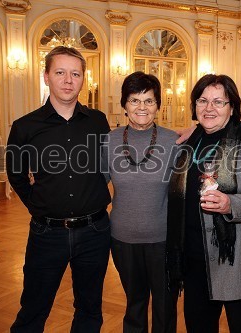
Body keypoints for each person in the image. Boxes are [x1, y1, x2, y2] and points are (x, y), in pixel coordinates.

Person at [6, 46, 111, 332]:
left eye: (75, 73)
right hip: (46, 234)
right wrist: (40, 204)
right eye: (60, 72)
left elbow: (108, 165)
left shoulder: (98, 121)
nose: (68, 80)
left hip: (95, 232)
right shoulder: (25, 126)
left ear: (83, 79)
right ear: (46, 77)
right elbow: (15, 175)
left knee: (90, 310)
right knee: (32, 311)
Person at [166, 74, 241, 333]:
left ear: (232, 108)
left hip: (238, 259)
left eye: (219, 101)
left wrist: (231, 204)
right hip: (195, 262)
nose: (209, 108)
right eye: (203, 100)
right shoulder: (186, 145)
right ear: (194, 106)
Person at [103, 71, 178, 333]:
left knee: (165, 305)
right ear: (124, 104)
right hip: (123, 239)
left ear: (158, 105)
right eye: (135, 100)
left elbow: (186, 191)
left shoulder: (174, 141)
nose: (142, 107)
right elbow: (94, 186)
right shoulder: (109, 141)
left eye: (149, 100)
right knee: (134, 303)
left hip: (164, 240)